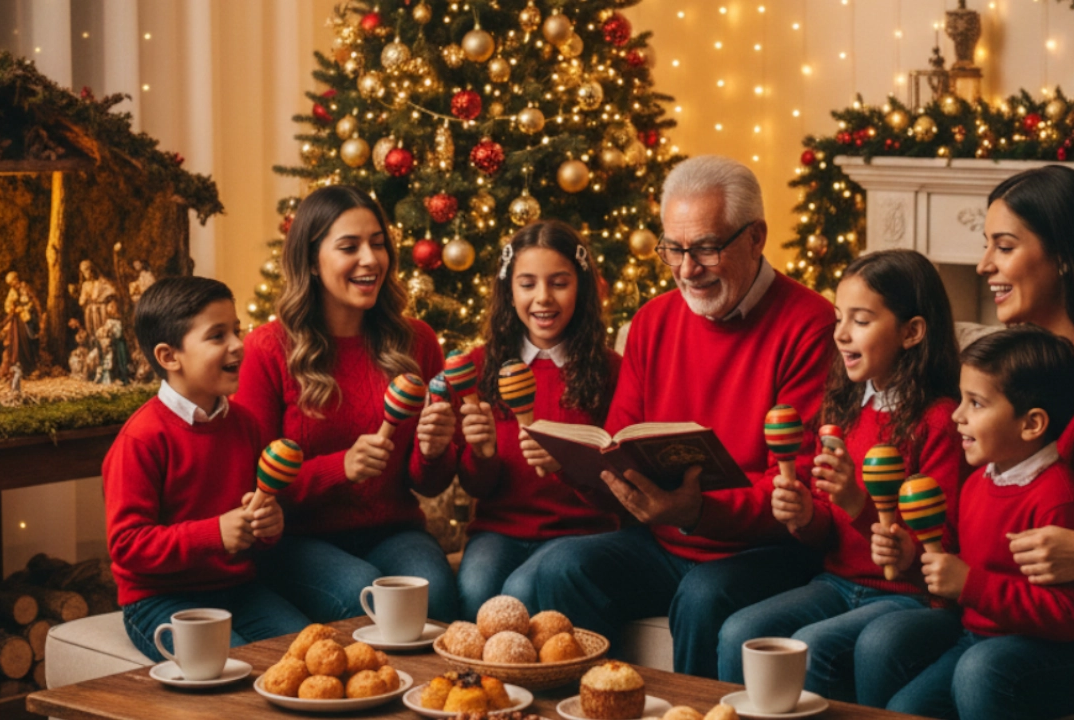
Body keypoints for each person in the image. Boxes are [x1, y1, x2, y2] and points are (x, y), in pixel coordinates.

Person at [856, 165, 1074, 718]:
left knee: (985, 670)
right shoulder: (1006, 371)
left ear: (1064, 255)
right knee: (885, 642)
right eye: (985, 245)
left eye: (1004, 246)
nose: (984, 265)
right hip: (1015, 612)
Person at [512, 156, 837, 678]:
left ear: (756, 237)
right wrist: (575, 465)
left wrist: (696, 510)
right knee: (561, 567)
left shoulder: (810, 324)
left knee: (703, 596)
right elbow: (617, 443)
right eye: (674, 249)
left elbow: (796, 487)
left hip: (761, 549)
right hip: (662, 538)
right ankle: (595, 704)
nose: (687, 269)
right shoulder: (653, 320)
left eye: (706, 248)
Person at [715, 250, 966, 695]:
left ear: (912, 332)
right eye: (838, 318)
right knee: (741, 631)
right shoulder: (845, 409)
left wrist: (857, 504)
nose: (841, 334)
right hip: (837, 582)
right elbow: (826, 533)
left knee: (816, 645)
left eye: (861, 320)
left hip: (907, 596)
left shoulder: (939, 422)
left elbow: (938, 551)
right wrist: (805, 515)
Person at [234, 185, 460, 624]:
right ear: (311, 260)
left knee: (432, 597)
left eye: (378, 243)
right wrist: (341, 468)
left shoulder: (417, 341)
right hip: (295, 540)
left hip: (393, 531)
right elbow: (250, 489)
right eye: (349, 247)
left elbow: (429, 485)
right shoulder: (266, 350)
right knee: (365, 596)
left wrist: (433, 452)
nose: (370, 259)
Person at [873, 326, 1074, 718]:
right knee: (905, 708)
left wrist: (970, 584)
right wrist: (912, 559)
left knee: (978, 671)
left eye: (976, 403)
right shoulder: (978, 483)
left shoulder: (1059, 502)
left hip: (1043, 650)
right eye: (961, 399)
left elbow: (1068, 617)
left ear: (1031, 424)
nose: (956, 415)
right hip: (977, 635)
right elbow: (953, 572)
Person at [103, 276, 310, 661]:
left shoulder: (246, 425)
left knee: (307, 657)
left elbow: (257, 516)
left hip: (238, 590)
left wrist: (268, 525)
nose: (238, 344)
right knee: (230, 669)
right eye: (217, 336)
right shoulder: (141, 439)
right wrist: (214, 534)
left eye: (236, 330)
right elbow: (127, 545)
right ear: (169, 357)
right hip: (159, 599)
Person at [454, 220, 620, 620]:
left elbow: (618, 482)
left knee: (521, 591)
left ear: (581, 288)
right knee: (475, 587)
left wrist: (569, 464)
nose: (543, 297)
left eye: (559, 283)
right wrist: (482, 453)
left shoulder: (609, 370)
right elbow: (476, 485)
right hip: (499, 530)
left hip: (579, 533)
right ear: (509, 291)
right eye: (527, 284)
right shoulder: (479, 368)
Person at [0, 271, 39, 375]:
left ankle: (31, 366)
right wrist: (13, 309)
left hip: (28, 317)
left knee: (29, 339)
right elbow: (7, 305)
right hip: (18, 321)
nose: (12, 284)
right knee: (19, 341)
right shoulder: (12, 292)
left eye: (13, 281)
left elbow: (33, 301)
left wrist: (26, 308)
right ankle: (22, 366)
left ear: (16, 279)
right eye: (10, 283)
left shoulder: (25, 287)